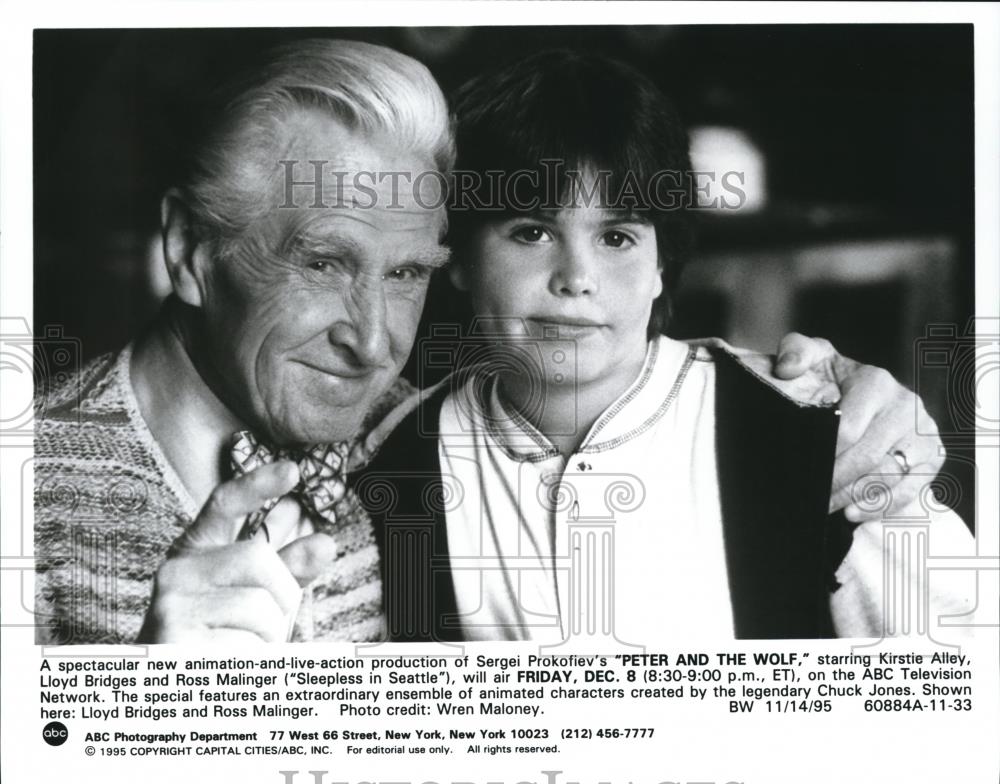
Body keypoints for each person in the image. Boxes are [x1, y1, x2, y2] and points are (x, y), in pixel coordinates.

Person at [35, 39, 951, 646]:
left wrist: (846, 415)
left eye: (404, 275)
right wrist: (147, 716)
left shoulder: (386, 443)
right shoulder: (30, 489)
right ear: (193, 253)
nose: (372, 344)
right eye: (321, 263)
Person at [357, 50, 974, 642]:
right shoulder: (397, 460)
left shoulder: (816, 430)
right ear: (458, 256)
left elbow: (964, 677)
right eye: (532, 231)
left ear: (661, 264)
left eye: (617, 236)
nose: (576, 277)